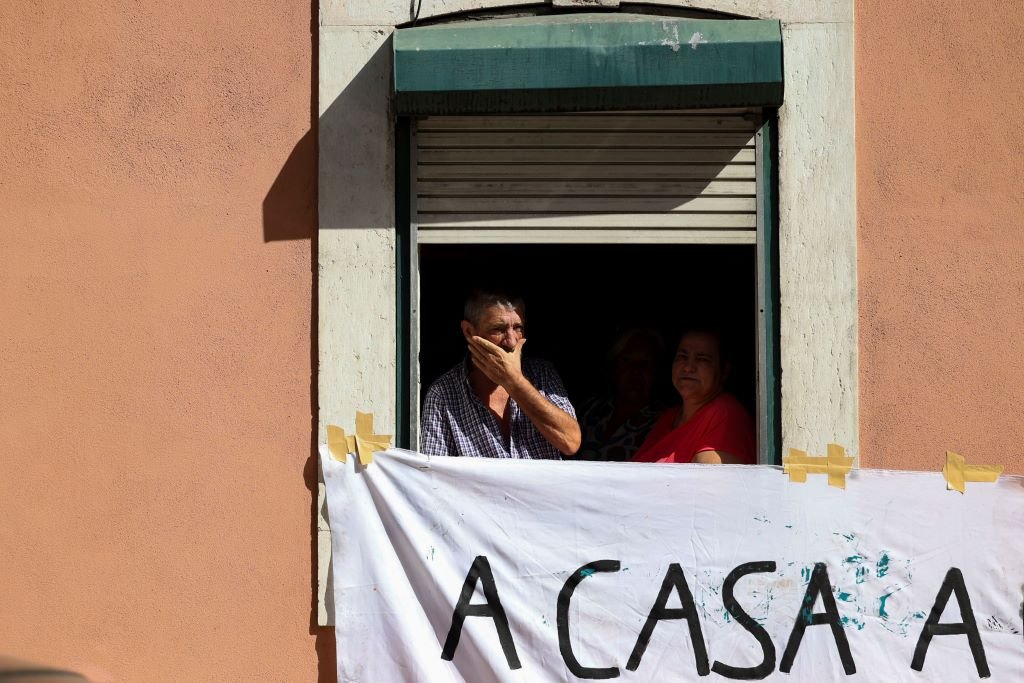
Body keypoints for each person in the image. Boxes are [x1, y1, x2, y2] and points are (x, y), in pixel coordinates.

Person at [420, 290, 581, 459]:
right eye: (498, 329)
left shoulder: (542, 374)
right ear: (468, 331)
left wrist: (515, 382)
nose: (511, 342)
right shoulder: (444, 394)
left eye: (518, 328)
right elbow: (434, 476)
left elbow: (570, 442)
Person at [631, 325, 755, 464]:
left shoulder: (725, 413)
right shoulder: (669, 417)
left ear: (724, 371)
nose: (688, 367)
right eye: (682, 356)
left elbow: (709, 482)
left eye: (702, 359)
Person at [577, 329, 663, 461]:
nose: (636, 371)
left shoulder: (663, 422)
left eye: (645, 363)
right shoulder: (590, 409)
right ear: (614, 366)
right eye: (627, 361)